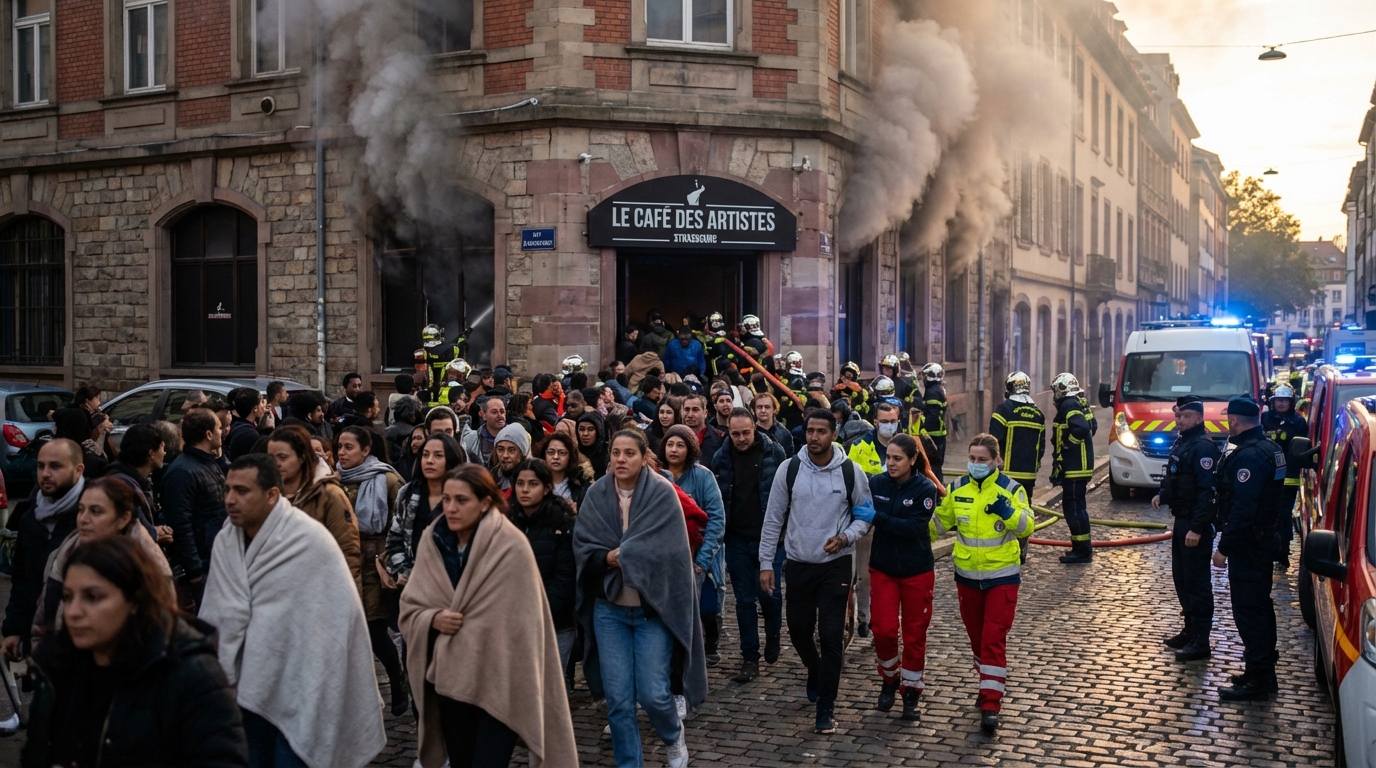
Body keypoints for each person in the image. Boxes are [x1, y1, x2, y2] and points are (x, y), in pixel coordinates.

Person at [199, 454, 386, 768]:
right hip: (245, 683)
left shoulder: (309, 541)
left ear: (272, 495)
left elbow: (337, 617)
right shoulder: (225, 541)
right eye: (228, 489)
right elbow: (220, 612)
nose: (230, 499)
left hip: (301, 681)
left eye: (242, 491)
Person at [399, 462, 577, 767]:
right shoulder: (433, 540)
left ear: (485, 503)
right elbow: (411, 606)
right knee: (462, 761)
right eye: (446, 499)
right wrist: (433, 618)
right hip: (452, 678)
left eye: (461, 500)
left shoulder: (511, 546)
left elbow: (526, 621)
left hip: (501, 679)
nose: (451, 508)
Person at [22, 537, 249, 767]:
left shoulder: (190, 674)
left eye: (93, 597)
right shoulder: (56, 664)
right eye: (68, 597)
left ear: (135, 601)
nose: (73, 612)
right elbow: (36, 752)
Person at [574, 429, 702, 768]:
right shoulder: (597, 494)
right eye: (616, 452)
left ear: (644, 457)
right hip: (609, 610)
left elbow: (672, 552)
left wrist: (629, 554)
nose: (621, 459)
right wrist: (606, 558)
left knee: (653, 694)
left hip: (652, 611)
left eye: (629, 453)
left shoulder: (662, 494)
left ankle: (673, 735)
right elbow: (583, 545)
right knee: (618, 700)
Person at [758, 408, 872, 735]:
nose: (814, 437)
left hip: (836, 565)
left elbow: (865, 515)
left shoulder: (850, 471)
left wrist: (845, 537)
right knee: (798, 631)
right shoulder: (789, 469)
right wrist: (766, 563)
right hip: (798, 563)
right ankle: (815, 668)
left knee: (831, 636)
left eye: (822, 431)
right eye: (810, 431)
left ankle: (826, 707)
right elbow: (773, 519)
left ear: (834, 435)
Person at [932, 433, 1034, 734]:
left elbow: (1027, 526)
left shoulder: (1012, 489)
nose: (976, 464)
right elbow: (938, 524)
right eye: (972, 458)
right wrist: (906, 524)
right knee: (977, 639)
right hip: (966, 577)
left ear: (996, 461)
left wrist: (1009, 512)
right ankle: (988, 681)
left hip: (1002, 577)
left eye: (982, 460)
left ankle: (991, 704)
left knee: (992, 639)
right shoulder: (957, 488)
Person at [852, 433, 940, 721]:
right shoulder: (876, 484)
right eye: (888, 457)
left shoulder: (925, 488)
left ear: (912, 460)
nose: (890, 463)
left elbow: (913, 527)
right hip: (884, 568)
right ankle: (889, 678)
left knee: (915, 635)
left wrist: (876, 518)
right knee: (884, 630)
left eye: (897, 458)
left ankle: (911, 692)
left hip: (917, 571)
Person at [31, 474, 174, 640]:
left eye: (96, 511)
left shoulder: (149, 568)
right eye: (81, 510)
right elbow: (42, 623)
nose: (83, 519)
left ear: (123, 518)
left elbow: (159, 635)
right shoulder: (64, 554)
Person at [1212, 395, 1286, 701]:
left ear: (1234, 421)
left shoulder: (1250, 456)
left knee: (1250, 612)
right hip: (1263, 540)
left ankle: (1258, 680)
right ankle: (1262, 671)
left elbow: (1244, 509)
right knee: (1260, 608)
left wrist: (1223, 548)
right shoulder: (1270, 449)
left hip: (1250, 545)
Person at [712, 406, 790, 683]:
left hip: (770, 537)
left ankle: (773, 633)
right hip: (736, 538)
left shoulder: (774, 453)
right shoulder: (721, 457)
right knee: (744, 601)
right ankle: (749, 657)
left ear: (755, 428)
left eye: (746, 432)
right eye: (736, 434)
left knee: (769, 595)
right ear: (728, 432)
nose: (741, 438)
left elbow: (785, 494)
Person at [336, 425, 409, 716]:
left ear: (366, 450)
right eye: (339, 447)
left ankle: (397, 676)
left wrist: (391, 558)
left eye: (349, 447)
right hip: (343, 562)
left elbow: (402, 521)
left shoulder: (387, 479)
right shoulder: (333, 480)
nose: (342, 453)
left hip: (376, 562)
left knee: (374, 627)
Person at [2, 439, 86, 663]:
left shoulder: (94, 513)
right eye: (41, 466)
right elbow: (22, 578)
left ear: (78, 470)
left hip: (84, 645)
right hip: (40, 643)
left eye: (55, 466)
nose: (46, 473)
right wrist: (14, 629)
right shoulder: (31, 517)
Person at [1151, 395, 1220, 662]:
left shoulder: (1203, 447)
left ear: (1200, 417)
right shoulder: (1184, 441)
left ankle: (1201, 639)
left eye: (1186, 416)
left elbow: (1207, 491)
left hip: (1194, 524)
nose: (1180, 420)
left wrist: (1198, 527)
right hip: (1181, 520)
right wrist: (1163, 494)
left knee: (1197, 582)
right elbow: (1176, 475)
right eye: (1178, 416)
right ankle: (1190, 629)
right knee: (1182, 579)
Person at [658, 425, 726, 680]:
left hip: (698, 557)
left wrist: (702, 560)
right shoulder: (656, 476)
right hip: (664, 560)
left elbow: (716, 519)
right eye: (670, 444)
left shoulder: (703, 477)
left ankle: (694, 664)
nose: (674, 450)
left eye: (680, 445)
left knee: (702, 610)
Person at [267, 425, 363, 593]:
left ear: (302, 457)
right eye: (271, 457)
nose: (276, 464)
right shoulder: (268, 496)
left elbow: (348, 553)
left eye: (282, 457)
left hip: (319, 592)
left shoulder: (329, 495)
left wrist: (347, 600)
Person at [510, 459, 579, 670]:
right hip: (515, 620)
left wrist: (538, 610)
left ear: (547, 488)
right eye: (520, 483)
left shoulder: (562, 522)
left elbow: (565, 577)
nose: (525, 490)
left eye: (533, 484)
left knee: (552, 679)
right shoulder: (507, 522)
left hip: (555, 622)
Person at [845, 399, 905, 639]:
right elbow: (850, 482)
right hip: (866, 521)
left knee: (891, 577)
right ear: (875, 421)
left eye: (893, 421)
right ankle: (864, 618)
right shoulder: (860, 447)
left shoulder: (907, 446)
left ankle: (885, 620)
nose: (889, 425)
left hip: (895, 522)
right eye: (884, 421)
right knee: (864, 574)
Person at [158, 408, 227, 604]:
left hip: (214, 559)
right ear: (208, 434)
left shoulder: (207, 462)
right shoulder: (182, 472)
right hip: (201, 565)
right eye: (219, 428)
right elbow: (180, 524)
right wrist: (194, 570)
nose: (222, 431)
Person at [384, 434, 467, 588]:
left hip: (453, 586)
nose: (429, 460)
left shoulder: (464, 497)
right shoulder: (407, 493)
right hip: (413, 585)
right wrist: (403, 571)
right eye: (425, 455)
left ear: (451, 460)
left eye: (438, 456)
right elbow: (394, 540)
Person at [1050, 373, 1095, 564]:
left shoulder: (1069, 404)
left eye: (1055, 390)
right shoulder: (1079, 402)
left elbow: (1082, 429)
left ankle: (1082, 551)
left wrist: (1068, 444)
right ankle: (1080, 548)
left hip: (1075, 467)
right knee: (1076, 507)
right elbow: (1093, 425)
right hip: (1080, 466)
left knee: (1074, 509)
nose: (1055, 395)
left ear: (1062, 389)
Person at [1261, 383, 1307, 568]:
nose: (1281, 404)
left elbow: (1301, 449)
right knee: (1266, 512)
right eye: (1278, 400)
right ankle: (1267, 548)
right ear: (1273, 402)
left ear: (1291, 402)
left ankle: (1283, 549)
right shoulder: (1265, 418)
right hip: (1267, 474)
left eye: (1284, 400)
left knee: (1284, 514)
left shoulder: (1298, 422)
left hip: (1289, 476)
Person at [100, 423, 166, 535]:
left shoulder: (130, 479)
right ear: (151, 453)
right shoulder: (123, 487)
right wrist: (153, 534)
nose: (164, 453)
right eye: (162, 447)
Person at [988, 371, 1045, 498]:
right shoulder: (1038, 414)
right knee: (1025, 504)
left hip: (1007, 473)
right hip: (1029, 474)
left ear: (1009, 387)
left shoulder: (1004, 409)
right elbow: (1041, 446)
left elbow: (993, 440)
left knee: (1005, 505)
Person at [539, 432, 593, 508]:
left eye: (562, 453)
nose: (556, 457)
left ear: (570, 456)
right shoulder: (536, 480)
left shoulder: (581, 484)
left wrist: (577, 510)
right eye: (551, 452)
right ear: (544, 455)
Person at [917, 363, 948, 469]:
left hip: (933, 435)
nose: (923, 379)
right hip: (939, 433)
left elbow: (933, 416)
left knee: (932, 466)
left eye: (924, 376)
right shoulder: (938, 389)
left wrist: (924, 431)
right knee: (936, 465)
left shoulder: (932, 392)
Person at [462, 395, 507, 467]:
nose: (500, 415)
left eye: (502, 411)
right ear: (483, 415)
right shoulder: (470, 440)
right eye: (494, 412)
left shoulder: (515, 438)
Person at [681, 394, 724, 467]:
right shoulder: (674, 437)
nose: (690, 415)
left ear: (705, 413)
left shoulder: (719, 438)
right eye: (687, 410)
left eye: (695, 410)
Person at [226, 387, 267, 462]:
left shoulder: (236, 425)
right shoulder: (249, 434)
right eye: (261, 402)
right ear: (255, 408)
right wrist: (268, 431)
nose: (264, 404)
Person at [576, 411, 610, 479]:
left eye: (591, 429)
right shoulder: (574, 452)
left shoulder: (608, 452)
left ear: (598, 431)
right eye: (581, 429)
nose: (585, 434)